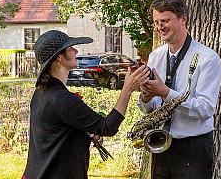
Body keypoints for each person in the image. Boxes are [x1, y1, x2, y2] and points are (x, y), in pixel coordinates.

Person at [22, 30, 150, 179]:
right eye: (70, 48)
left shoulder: (43, 92)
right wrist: (127, 89)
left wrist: (84, 133)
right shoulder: (61, 99)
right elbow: (107, 127)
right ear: (59, 57)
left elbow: (57, 133)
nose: (76, 50)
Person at [138, 0, 221, 179]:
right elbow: (151, 109)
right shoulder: (155, 56)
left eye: (165, 20)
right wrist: (145, 98)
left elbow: (206, 109)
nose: (160, 26)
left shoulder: (208, 58)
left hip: (193, 148)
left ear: (182, 19)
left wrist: (165, 92)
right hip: (160, 145)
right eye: (156, 21)